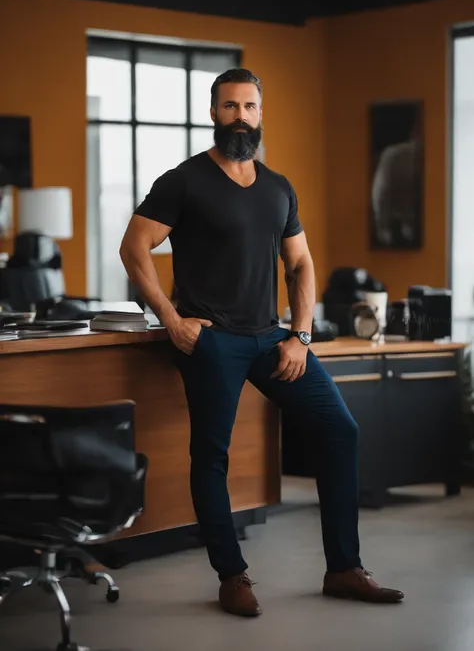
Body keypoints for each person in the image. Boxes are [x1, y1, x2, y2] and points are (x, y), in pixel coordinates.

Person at [119, 68, 404, 616]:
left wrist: (299, 336)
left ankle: (344, 568)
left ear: (260, 113)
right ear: (212, 113)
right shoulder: (183, 181)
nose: (240, 117)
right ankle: (232, 576)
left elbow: (300, 264)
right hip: (212, 341)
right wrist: (172, 320)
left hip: (271, 339)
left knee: (340, 431)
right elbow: (135, 249)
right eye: (229, 107)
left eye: (249, 107)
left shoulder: (278, 187)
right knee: (213, 455)